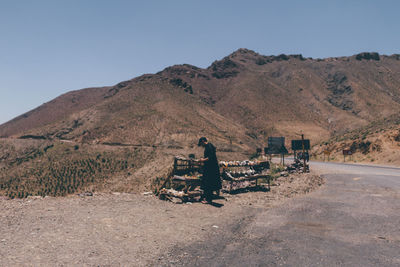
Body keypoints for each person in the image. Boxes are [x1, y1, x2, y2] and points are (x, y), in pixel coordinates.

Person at [197, 137, 221, 204]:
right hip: (210, 168)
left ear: (203, 141)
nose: (201, 146)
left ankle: (208, 200)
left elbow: (210, 157)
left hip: (211, 168)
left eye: (201, 144)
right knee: (208, 183)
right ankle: (207, 198)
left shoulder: (209, 146)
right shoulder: (209, 146)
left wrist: (202, 160)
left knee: (209, 184)